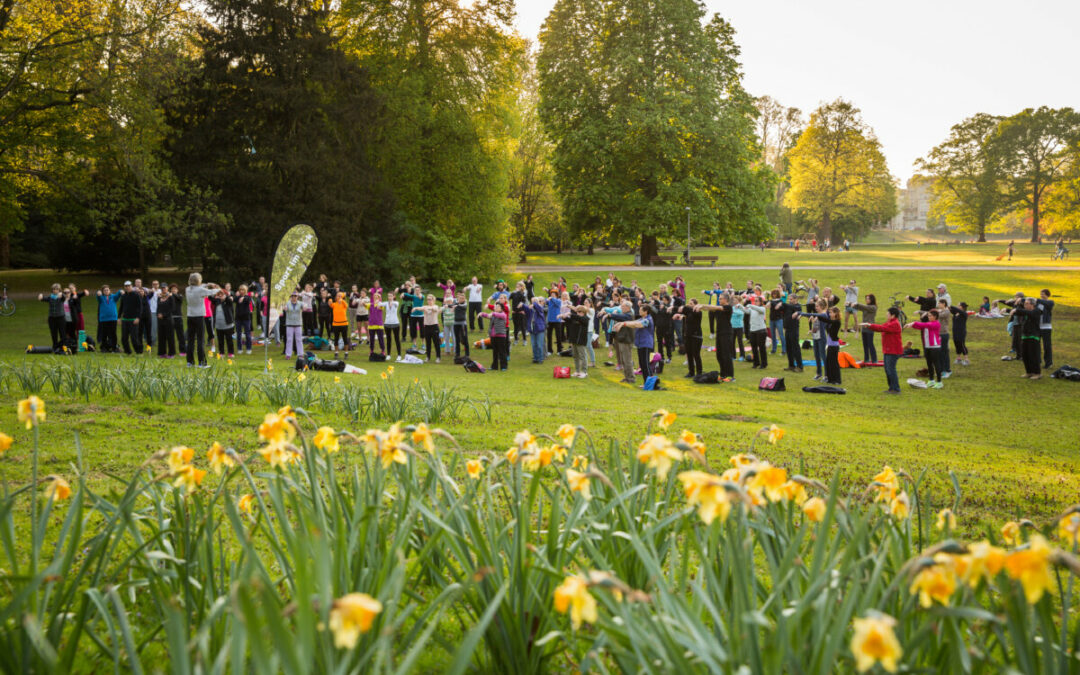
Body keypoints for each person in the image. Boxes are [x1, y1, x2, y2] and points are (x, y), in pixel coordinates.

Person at [862, 307, 903, 394]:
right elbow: (880, 327)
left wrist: (870, 325)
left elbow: (882, 328)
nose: (886, 315)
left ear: (893, 315)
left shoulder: (895, 324)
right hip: (888, 350)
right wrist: (870, 326)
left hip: (893, 351)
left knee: (891, 369)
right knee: (887, 369)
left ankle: (896, 389)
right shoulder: (890, 322)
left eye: (888, 314)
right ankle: (891, 388)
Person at [798, 306, 842, 385]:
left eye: (831, 312)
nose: (830, 313)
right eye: (830, 312)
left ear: (835, 313)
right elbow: (826, 321)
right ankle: (830, 379)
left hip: (834, 346)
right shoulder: (831, 321)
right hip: (830, 345)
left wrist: (817, 316)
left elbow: (826, 320)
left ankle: (837, 380)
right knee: (829, 363)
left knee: (834, 363)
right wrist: (816, 318)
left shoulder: (837, 322)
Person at [185, 273, 221, 368]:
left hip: (190, 316)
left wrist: (208, 284)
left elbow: (201, 287)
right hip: (199, 316)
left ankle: (190, 362)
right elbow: (212, 292)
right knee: (200, 339)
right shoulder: (200, 290)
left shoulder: (187, 289)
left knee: (191, 340)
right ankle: (202, 362)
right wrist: (218, 288)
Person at [700, 294, 735, 382]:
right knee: (719, 355)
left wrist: (703, 305)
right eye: (719, 298)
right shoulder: (718, 309)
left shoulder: (728, 307)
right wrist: (700, 307)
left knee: (726, 355)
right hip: (719, 333)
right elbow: (710, 308)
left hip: (726, 333)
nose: (719, 300)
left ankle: (730, 376)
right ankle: (723, 374)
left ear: (726, 299)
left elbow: (715, 307)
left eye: (721, 298)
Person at [1009, 298, 1043, 379]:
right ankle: (1029, 372)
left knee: (1033, 355)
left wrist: (1016, 310)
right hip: (1025, 336)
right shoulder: (1026, 311)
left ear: (1032, 304)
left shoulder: (1037, 311)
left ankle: (1037, 373)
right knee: (1025, 355)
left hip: (1034, 336)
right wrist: (1007, 310)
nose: (1025, 305)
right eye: (1024, 304)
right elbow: (1020, 312)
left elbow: (1026, 312)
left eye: (1027, 304)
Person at [908, 311, 943, 389]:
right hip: (927, 346)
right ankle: (931, 380)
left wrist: (913, 323)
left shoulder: (936, 323)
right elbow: (920, 326)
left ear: (935, 316)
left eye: (930, 316)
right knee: (929, 364)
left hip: (935, 346)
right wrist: (911, 325)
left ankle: (939, 382)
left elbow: (924, 325)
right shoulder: (929, 323)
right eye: (928, 316)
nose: (929, 317)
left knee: (936, 364)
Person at [675, 298, 705, 377]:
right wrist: (678, 313)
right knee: (689, 354)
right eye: (689, 303)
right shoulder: (688, 313)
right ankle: (691, 372)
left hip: (696, 336)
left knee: (696, 355)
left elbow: (688, 310)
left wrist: (684, 308)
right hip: (688, 336)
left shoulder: (698, 312)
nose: (690, 305)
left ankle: (699, 372)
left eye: (691, 304)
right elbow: (680, 310)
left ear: (696, 305)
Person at [479, 301, 509, 370]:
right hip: (493, 336)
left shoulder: (503, 315)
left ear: (501, 309)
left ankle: (504, 366)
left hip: (501, 336)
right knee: (495, 352)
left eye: (497, 307)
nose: (495, 308)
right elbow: (487, 315)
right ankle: (494, 366)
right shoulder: (493, 315)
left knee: (502, 352)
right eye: (495, 307)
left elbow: (497, 315)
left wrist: (492, 313)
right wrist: (481, 313)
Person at [118, 281, 144, 355]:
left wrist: (138, 318)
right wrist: (119, 317)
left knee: (134, 338)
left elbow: (140, 307)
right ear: (124, 287)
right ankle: (128, 351)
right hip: (125, 319)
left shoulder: (136, 295)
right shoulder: (123, 296)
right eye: (126, 286)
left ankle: (139, 351)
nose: (127, 287)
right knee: (124, 338)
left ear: (131, 286)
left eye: (129, 286)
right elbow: (121, 307)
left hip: (133, 319)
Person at [565, 304, 591, 377]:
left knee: (583, 356)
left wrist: (571, 314)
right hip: (574, 340)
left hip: (581, 341)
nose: (578, 313)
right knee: (575, 356)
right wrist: (563, 317)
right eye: (577, 311)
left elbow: (580, 319)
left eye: (579, 311)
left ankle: (584, 372)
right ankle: (577, 371)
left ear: (583, 312)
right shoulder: (576, 318)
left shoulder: (586, 319)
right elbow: (570, 321)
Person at [744, 295, 767, 370]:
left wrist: (751, 305)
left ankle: (764, 364)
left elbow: (758, 309)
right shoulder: (753, 309)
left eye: (756, 301)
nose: (755, 302)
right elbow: (746, 311)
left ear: (760, 302)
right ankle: (756, 363)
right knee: (753, 348)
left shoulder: (762, 308)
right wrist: (740, 306)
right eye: (754, 300)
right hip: (753, 330)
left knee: (761, 348)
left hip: (761, 330)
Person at [96, 284, 122, 352]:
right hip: (104, 319)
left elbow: (118, 295)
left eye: (107, 290)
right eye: (104, 290)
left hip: (113, 318)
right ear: (102, 291)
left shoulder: (113, 297)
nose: (106, 291)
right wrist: (98, 293)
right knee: (104, 334)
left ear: (109, 290)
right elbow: (98, 297)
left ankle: (114, 348)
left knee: (113, 334)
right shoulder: (101, 298)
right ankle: (104, 348)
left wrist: (120, 291)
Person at [156, 285, 180, 358]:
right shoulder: (159, 298)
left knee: (170, 337)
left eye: (165, 288)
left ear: (167, 289)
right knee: (161, 337)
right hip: (160, 320)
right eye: (162, 288)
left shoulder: (170, 297)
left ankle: (171, 353)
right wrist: (158, 314)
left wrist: (163, 315)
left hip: (168, 319)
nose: (163, 289)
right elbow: (158, 307)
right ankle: (162, 353)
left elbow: (172, 309)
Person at [853, 294, 878, 364]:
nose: (866, 300)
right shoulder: (866, 307)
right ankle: (866, 359)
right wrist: (850, 304)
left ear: (872, 300)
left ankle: (874, 359)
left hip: (870, 328)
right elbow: (860, 307)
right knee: (865, 345)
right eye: (866, 299)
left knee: (870, 344)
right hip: (864, 328)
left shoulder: (873, 307)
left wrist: (857, 304)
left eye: (868, 299)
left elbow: (863, 307)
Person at [211, 289, 236, 358]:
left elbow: (230, 300)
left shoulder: (228, 302)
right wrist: (213, 290)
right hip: (219, 326)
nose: (220, 296)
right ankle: (221, 353)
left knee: (229, 340)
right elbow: (211, 298)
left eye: (222, 295)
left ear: (225, 295)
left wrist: (226, 297)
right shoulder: (217, 302)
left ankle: (231, 352)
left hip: (228, 325)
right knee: (220, 340)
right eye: (219, 295)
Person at [525, 296, 547, 363]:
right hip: (532, 328)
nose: (533, 302)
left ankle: (540, 359)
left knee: (539, 344)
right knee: (534, 344)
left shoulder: (541, 307)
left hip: (539, 328)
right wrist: (523, 305)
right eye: (532, 301)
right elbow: (526, 311)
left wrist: (534, 303)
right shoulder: (531, 309)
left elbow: (538, 308)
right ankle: (535, 358)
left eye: (535, 301)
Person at [282, 291, 304, 359]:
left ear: (297, 297)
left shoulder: (300, 303)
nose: (294, 297)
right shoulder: (287, 303)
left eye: (295, 296)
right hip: (289, 323)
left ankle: (300, 353)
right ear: (291, 297)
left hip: (298, 323)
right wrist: (284, 308)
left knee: (299, 339)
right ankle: (288, 354)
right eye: (292, 296)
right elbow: (283, 307)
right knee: (289, 339)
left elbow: (306, 307)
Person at [420, 294, 442, 363]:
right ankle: (428, 357)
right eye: (428, 299)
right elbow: (421, 308)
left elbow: (435, 309)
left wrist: (428, 308)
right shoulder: (425, 306)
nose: (429, 301)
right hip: (427, 327)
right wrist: (415, 308)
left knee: (436, 343)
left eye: (430, 299)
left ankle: (438, 357)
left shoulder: (435, 306)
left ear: (433, 300)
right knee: (428, 343)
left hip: (434, 326)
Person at [234, 285, 255, 355]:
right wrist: (236, 296)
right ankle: (239, 349)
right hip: (238, 319)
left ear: (245, 291)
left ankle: (249, 348)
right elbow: (234, 300)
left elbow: (247, 300)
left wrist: (243, 298)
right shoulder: (237, 298)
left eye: (243, 290)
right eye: (240, 290)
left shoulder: (248, 297)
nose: (241, 291)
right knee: (239, 334)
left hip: (246, 319)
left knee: (248, 334)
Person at [381, 292, 402, 360]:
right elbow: (379, 304)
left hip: (395, 323)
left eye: (391, 296)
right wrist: (377, 297)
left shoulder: (396, 303)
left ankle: (399, 355)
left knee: (397, 339)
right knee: (388, 339)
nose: (389, 297)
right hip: (387, 324)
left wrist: (391, 302)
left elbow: (395, 304)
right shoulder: (386, 303)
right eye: (388, 296)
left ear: (393, 296)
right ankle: (388, 354)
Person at [1036, 289, 1054, 369]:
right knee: (1036, 344)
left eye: (1043, 294)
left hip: (1046, 327)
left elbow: (1047, 304)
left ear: (1047, 295)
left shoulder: (1050, 302)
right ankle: (1038, 361)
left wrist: (1037, 300)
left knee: (1047, 346)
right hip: (1037, 327)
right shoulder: (1039, 303)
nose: (1041, 295)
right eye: (1040, 294)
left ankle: (1048, 363)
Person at [329, 291, 350, 358]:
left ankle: (346, 353)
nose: (339, 297)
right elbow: (330, 304)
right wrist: (329, 298)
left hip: (344, 324)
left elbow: (346, 305)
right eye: (338, 296)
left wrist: (342, 299)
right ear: (336, 297)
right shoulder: (334, 304)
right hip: (336, 324)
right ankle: (336, 353)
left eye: (340, 296)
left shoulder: (344, 304)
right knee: (336, 339)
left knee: (345, 339)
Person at [949, 302, 970, 366]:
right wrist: (948, 307)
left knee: (962, 345)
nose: (957, 306)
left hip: (961, 332)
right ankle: (959, 359)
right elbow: (952, 310)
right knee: (956, 344)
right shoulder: (956, 313)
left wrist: (951, 306)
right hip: (955, 331)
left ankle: (966, 360)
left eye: (959, 305)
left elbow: (955, 309)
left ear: (962, 307)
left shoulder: (964, 314)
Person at [767, 290, 785, 356]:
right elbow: (767, 306)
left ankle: (784, 350)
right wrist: (769, 302)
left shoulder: (780, 301)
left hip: (779, 319)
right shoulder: (771, 301)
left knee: (781, 335)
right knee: (773, 335)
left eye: (775, 293)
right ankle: (773, 350)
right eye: (773, 293)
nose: (774, 295)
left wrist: (774, 303)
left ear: (777, 294)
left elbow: (778, 308)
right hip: (772, 319)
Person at [452, 292, 469, 360]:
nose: (461, 299)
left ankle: (467, 354)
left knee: (465, 339)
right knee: (457, 339)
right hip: (456, 323)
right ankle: (457, 354)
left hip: (463, 324)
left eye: (462, 298)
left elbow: (461, 306)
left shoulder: (464, 304)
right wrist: (447, 306)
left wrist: (456, 305)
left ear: (464, 299)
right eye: (460, 298)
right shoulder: (455, 303)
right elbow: (451, 305)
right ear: (458, 298)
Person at [546, 289, 564, 355]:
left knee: (558, 336)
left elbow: (557, 302)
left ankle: (559, 350)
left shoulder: (558, 301)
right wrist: (546, 300)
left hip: (557, 320)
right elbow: (545, 301)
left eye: (553, 294)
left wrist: (552, 298)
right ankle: (549, 350)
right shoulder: (550, 301)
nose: (552, 295)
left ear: (556, 295)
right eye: (551, 294)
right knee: (549, 336)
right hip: (550, 320)